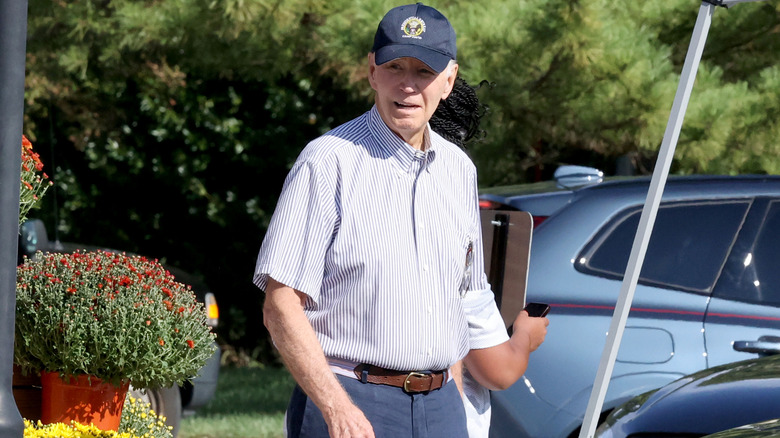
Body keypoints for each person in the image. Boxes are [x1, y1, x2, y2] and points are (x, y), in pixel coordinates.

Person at [255, 4, 548, 438]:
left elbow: (459, 300)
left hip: (443, 408)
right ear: (372, 71)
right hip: (352, 401)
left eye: (424, 71)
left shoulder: (459, 171)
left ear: (448, 80)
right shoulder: (327, 162)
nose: (408, 86)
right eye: (395, 67)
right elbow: (280, 304)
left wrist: (457, 408)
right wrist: (337, 408)